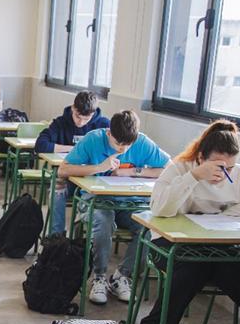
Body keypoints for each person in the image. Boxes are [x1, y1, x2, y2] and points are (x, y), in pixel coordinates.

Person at [123, 121, 240, 324]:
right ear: (201, 157)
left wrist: (230, 211)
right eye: (218, 166)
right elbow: (160, 207)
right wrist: (193, 177)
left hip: (214, 248)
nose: (224, 173)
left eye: (230, 168)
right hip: (169, 243)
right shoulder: (179, 167)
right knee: (194, 266)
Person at [57, 110, 169, 305]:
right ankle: (99, 277)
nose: (123, 149)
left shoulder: (142, 142)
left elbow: (170, 168)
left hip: (130, 203)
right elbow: (63, 169)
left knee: (148, 227)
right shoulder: (93, 139)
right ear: (109, 133)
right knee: (103, 221)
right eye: (118, 144)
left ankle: (122, 277)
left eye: (128, 144)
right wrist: (99, 168)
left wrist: (135, 171)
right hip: (97, 200)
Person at [35, 90, 110, 234]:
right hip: (68, 177)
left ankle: (82, 234)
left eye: (86, 119)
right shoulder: (60, 123)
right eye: (77, 116)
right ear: (73, 108)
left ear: (93, 114)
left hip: (95, 179)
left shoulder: (104, 125)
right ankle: (56, 237)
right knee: (57, 188)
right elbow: (41, 145)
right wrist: (75, 149)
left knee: (96, 206)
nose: (80, 122)